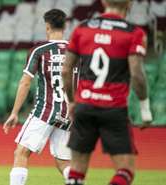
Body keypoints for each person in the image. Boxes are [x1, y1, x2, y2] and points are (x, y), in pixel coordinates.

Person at [61, 0, 153, 185]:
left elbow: (65, 70)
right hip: (113, 109)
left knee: (76, 173)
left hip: (84, 106)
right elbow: (136, 74)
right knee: (125, 170)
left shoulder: (82, 29)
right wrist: (145, 108)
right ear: (130, 4)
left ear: (103, 2)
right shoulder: (134, 33)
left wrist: (71, 101)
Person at [3, 9, 73, 185]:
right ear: (65, 26)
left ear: (47, 26)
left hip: (45, 111)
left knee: (21, 152)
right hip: (69, 113)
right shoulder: (76, 51)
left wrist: (14, 112)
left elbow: (25, 82)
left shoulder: (40, 50)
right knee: (63, 161)